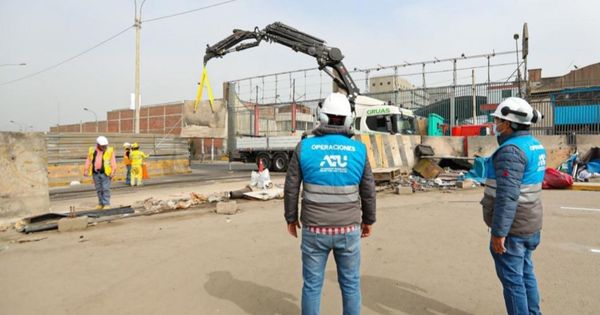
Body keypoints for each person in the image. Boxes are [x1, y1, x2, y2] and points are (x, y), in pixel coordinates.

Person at [284, 92, 376, 315]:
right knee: (351, 285)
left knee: (312, 287)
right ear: (348, 119)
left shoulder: (305, 147)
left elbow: (291, 186)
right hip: (349, 230)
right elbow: (368, 190)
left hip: (314, 230)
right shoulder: (359, 149)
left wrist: (291, 218)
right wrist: (368, 220)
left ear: (321, 117)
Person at [481, 97, 546, 315]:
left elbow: (507, 196)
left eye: (498, 120)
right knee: (526, 274)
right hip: (530, 224)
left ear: (508, 123)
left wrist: (499, 233)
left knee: (513, 282)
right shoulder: (534, 145)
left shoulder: (511, 151)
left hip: (513, 228)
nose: (496, 125)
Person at [84, 136, 117, 209]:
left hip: (105, 173)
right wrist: (86, 169)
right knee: (99, 189)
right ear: (98, 144)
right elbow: (88, 160)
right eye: (102, 146)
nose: (104, 147)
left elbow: (113, 161)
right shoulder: (92, 150)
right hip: (95, 173)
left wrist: (113, 171)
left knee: (105, 189)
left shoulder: (110, 150)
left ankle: (106, 204)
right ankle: (100, 203)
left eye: (105, 145)